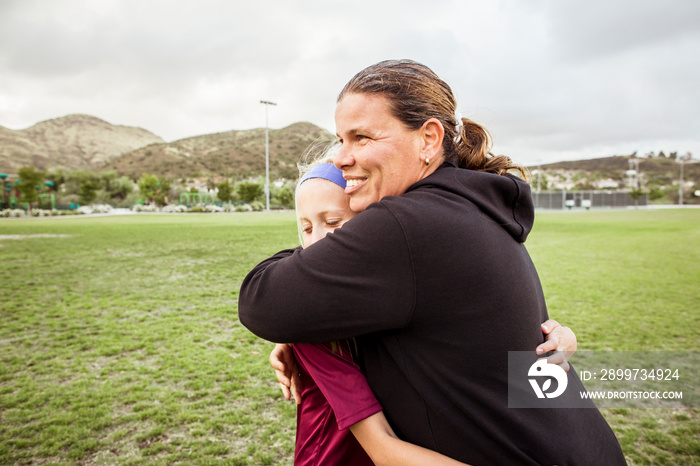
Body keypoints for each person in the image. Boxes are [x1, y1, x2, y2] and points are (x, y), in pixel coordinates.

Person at [239, 59, 626, 465]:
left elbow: (261, 302)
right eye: (341, 139)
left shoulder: (409, 223)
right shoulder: (467, 205)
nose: (341, 156)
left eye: (361, 137)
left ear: (428, 138)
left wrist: (302, 295)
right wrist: (314, 326)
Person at [291, 156, 470, 465]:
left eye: (333, 222)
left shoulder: (401, 291)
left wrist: (557, 336)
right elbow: (381, 445)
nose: (317, 241)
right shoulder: (312, 322)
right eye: (306, 228)